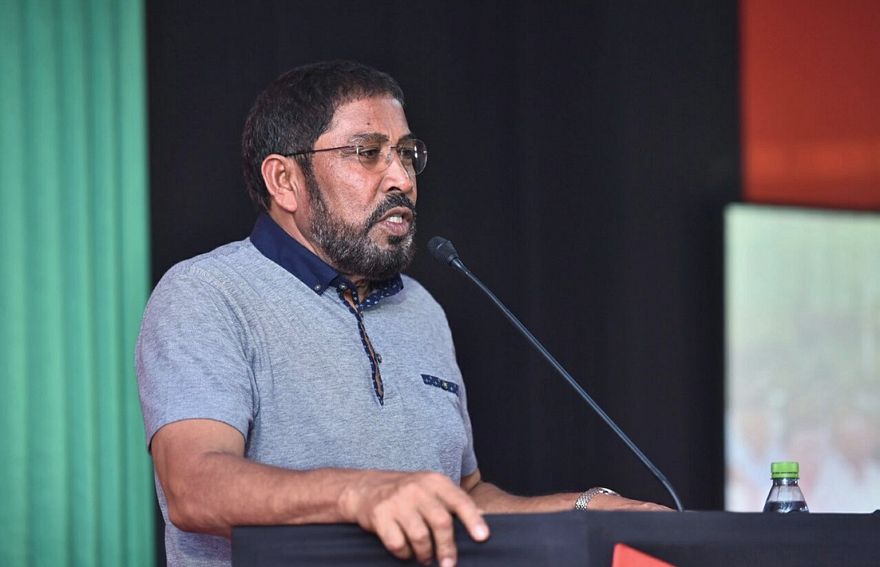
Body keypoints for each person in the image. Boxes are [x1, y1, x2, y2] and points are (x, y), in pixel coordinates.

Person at [136, 60, 669, 567]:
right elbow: (194, 488)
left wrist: (584, 512)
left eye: (407, 154)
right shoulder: (209, 292)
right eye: (368, 152)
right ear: (285, 181)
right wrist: (359, 494)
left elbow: (462, 499)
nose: (402, 179)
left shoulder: (422, 309)